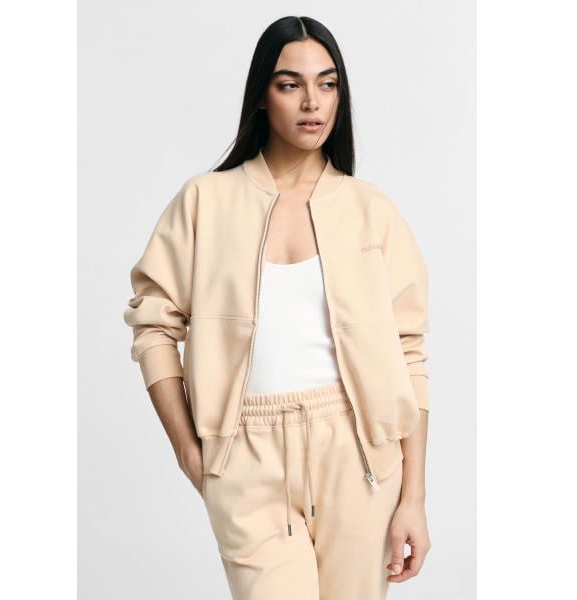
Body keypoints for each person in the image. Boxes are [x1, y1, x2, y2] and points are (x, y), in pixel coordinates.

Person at [123, 15, 431, 600]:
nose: (312, 102)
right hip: (247, 451)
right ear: (262, 96)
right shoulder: (205, 201)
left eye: (327, 83)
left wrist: (413, 497)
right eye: (290, 84)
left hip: (359, 452)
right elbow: (153, 324)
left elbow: (409, 353)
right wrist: (188, 449)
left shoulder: (372, 211)